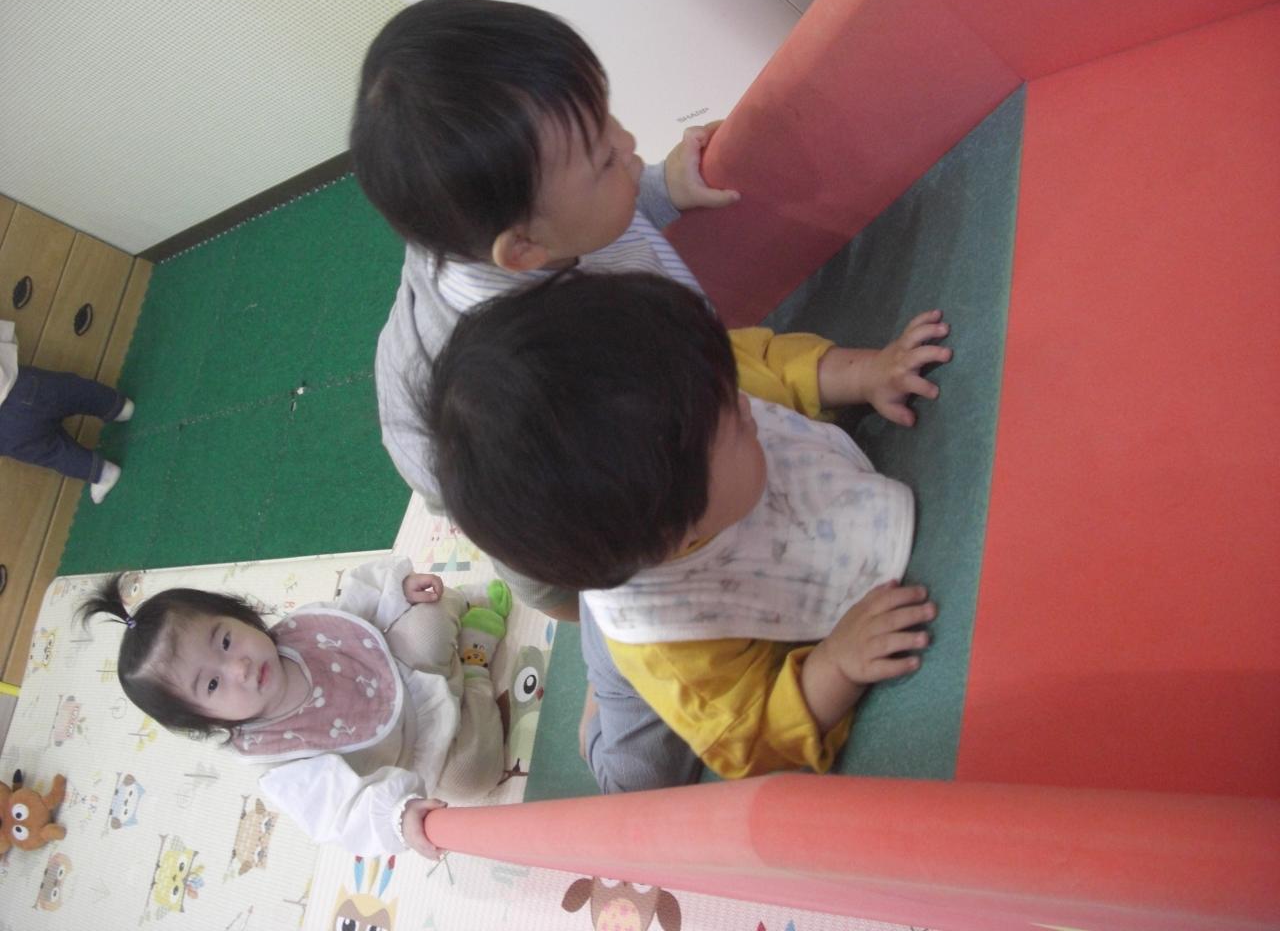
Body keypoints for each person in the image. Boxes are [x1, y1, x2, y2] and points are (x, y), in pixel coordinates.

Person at [426, 271, 951, 785]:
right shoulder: (675, 642)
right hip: (640, 620)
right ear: (673, 534)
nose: (744, 401)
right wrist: (835, 666)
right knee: (643, 778)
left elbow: (768, 363)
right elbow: (747, 735)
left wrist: (867, 373)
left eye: (722, 382)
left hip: (609, 548)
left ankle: (593, 609)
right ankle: (598, 713)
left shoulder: (682, 385)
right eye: (730, 427)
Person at [351, 0, 739, 620]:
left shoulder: (499, 224)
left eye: (608, 118)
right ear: (524, 249)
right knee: (569, 567)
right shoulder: (541, 379)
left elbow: (591, 219)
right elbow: (541, 526)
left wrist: (662, 187)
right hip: (480, 459)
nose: (630, 142)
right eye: (605, 159)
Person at [78, 556, 513, 859]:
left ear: (241, 615)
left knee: (427, 616)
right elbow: (340, 811)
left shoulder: (299, 632)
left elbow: (353, 607)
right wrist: (399, 815)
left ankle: (460, 610)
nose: (239, 667)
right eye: (212, 684)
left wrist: (397, 592)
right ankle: (474, 667)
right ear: (206, 720)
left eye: (225, 640)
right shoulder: (280, 761)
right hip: (415, 753)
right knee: (470, 777)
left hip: (401, 667)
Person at [1, 318, 132, 503]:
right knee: (71, 392)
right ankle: (117, 406)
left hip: (8, 433)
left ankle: (103, 473)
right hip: (18, 386)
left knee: (55, 454)